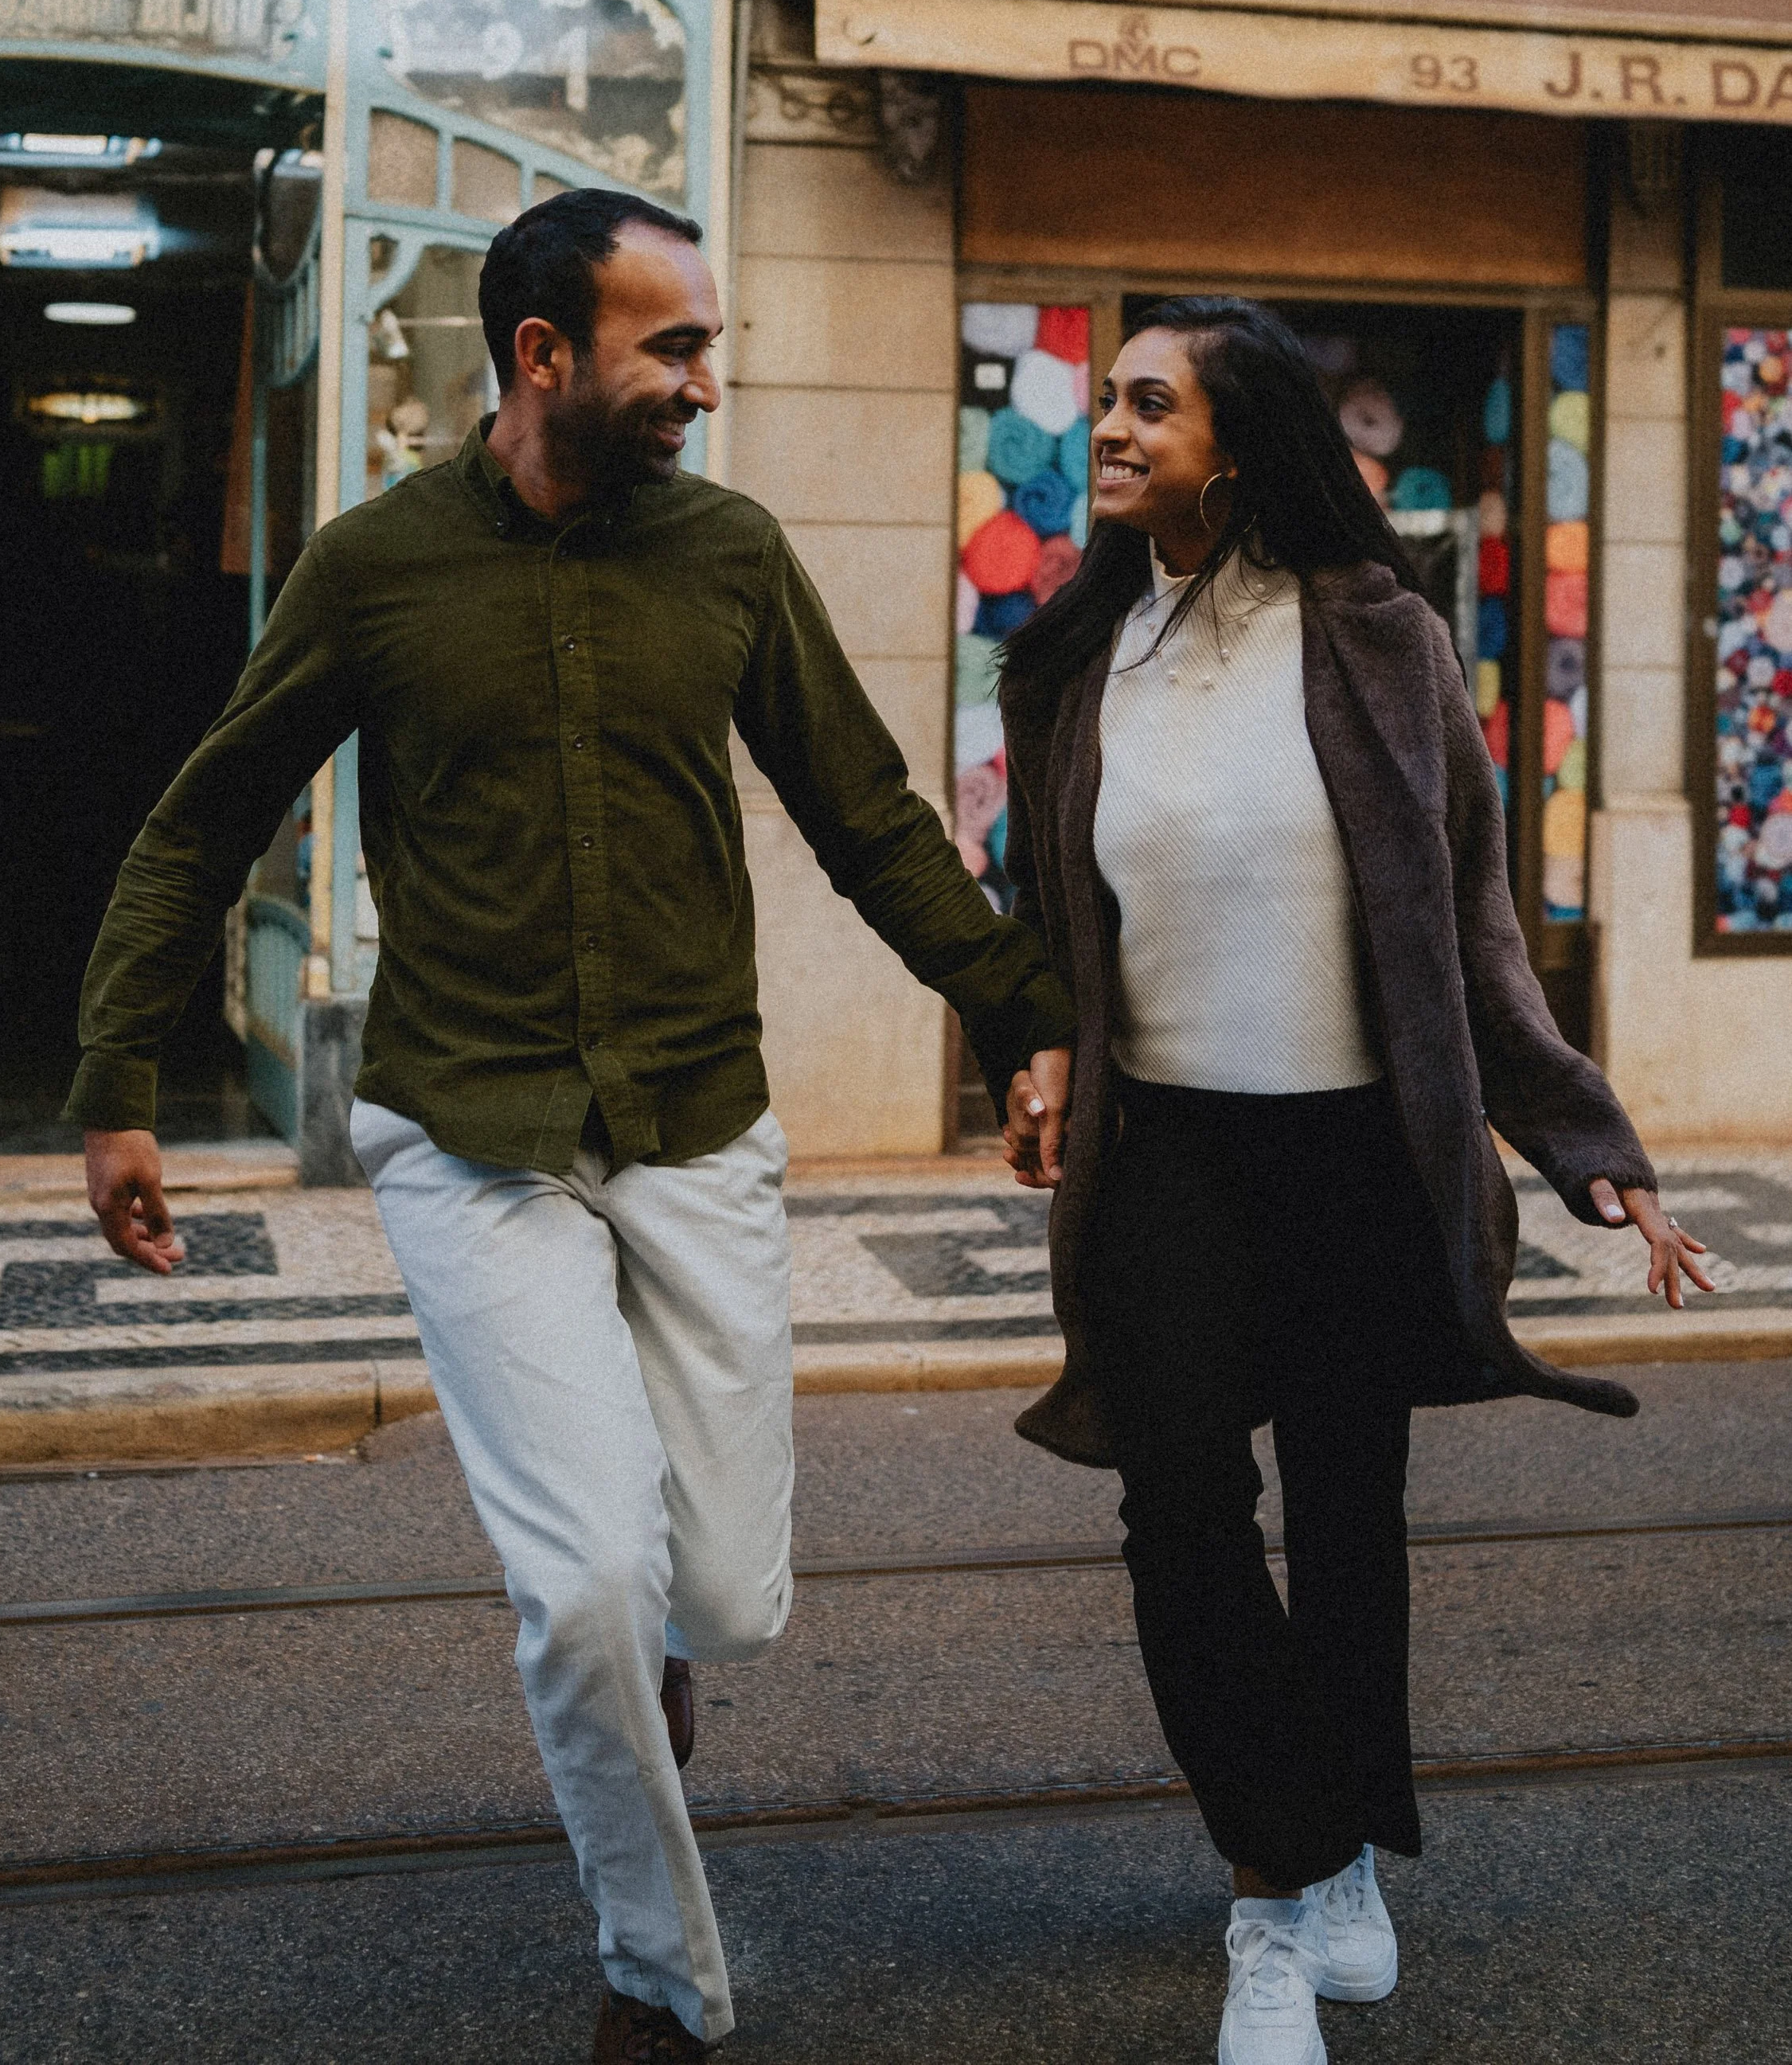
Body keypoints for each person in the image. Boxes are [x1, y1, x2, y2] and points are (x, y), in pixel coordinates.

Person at [68, 187, 1074, 2063]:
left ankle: (651, 1659)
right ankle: (658, 1982)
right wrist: (119, 1084)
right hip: (469, 1130)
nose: (709, 378)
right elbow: (205, 822)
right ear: (541, 356)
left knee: (721, 1597)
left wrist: (1035, 1019)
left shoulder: (730, 557)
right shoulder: (373, 570)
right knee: (588, 1584)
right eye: (672, 347)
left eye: (707, 340)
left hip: (697, 1120)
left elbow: (868, 821)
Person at [994, 295, 1712, 2065]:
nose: (1107, 429)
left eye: (1145, 406)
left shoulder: (1379, 641)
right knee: (1174, 1504)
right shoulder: (1074, 655)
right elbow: (1044, 919)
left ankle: (1337, 1867)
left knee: (1344, 1517)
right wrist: (1037, 1047)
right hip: (1161, 1151)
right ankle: (1279, 1870)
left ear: (1236, 444)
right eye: (1103, 402)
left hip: (1348, 1153)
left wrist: (1582, 1147)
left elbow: (1466, 924)